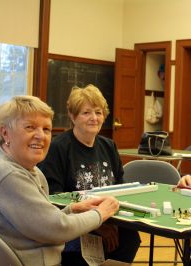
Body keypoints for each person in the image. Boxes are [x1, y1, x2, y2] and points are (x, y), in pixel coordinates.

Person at [0, 95, 119, 266]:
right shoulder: (7, 175)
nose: (40, 136)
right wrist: (100, 213)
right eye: (30, 127)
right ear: (5, 132)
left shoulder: (22, 168)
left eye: (46, 129)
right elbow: (56, 229)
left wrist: (72, 210)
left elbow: (39, 221)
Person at [38, 84, 141, 265]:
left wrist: (110, 221)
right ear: (73, 116)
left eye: (98, 112)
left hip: (109, 219)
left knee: (130, 237)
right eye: (86, 113)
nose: (94, 118)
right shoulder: (58, 148)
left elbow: (121, 188)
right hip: (75, 224)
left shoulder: (109, 146)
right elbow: (55, 198)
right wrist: (97, 224)